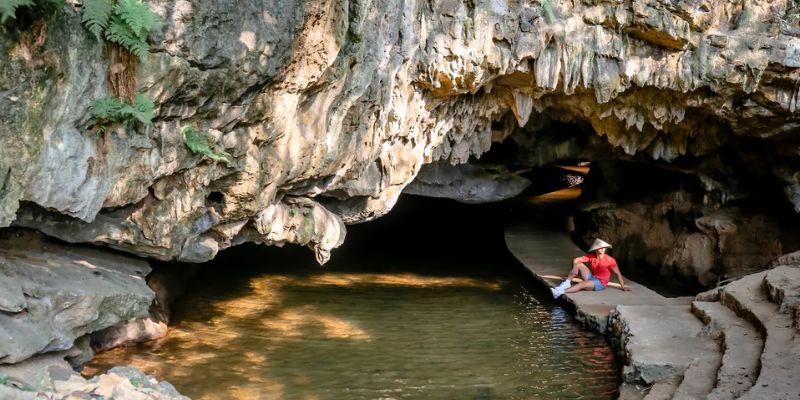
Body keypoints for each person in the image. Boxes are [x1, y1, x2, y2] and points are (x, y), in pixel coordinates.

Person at [551, 238, 632, 298]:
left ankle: (559, 292)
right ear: (596, 249)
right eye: (600, 247)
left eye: (604, 247)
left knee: (582, 284)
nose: (603, 249)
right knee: (579, 264)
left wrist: (623, 286)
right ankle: (567, 283)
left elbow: (618, 274)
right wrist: (575, 267)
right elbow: (576, 259)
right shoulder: (592, 257)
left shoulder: (610, 260)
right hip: (592, 278)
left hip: (600, 283)